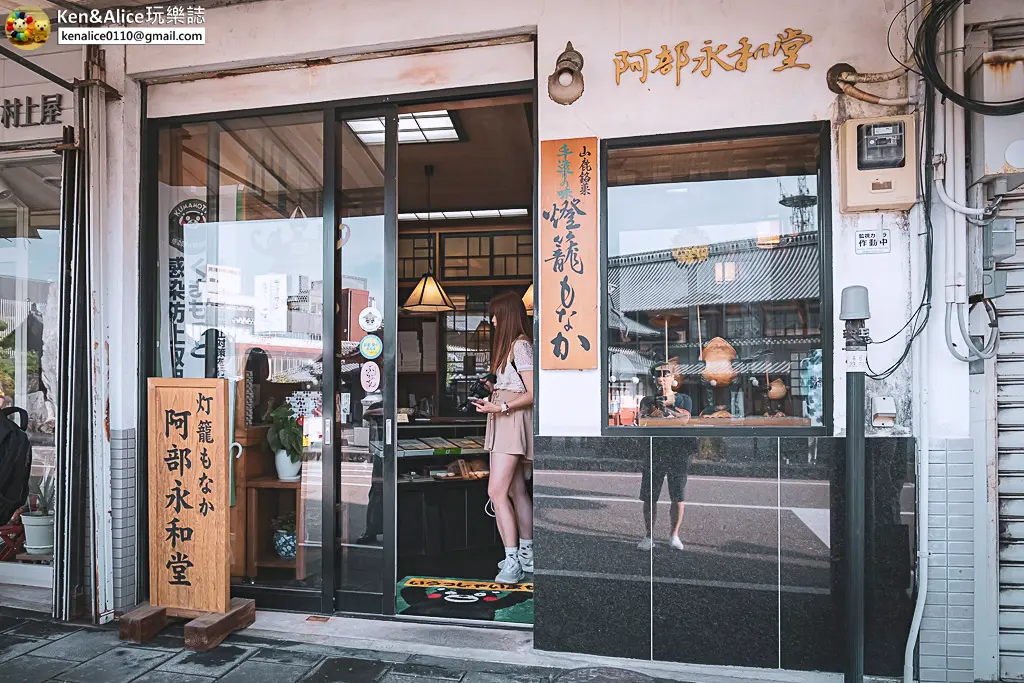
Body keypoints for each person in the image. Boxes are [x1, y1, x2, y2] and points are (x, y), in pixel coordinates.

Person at [471, 291, 534, 585]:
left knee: (496, 492)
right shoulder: (514, 346)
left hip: (510, 421)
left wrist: (502, 405)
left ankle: (512, 561)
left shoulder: (520, 346)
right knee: (515, 490)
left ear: (507, 315)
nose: (493, 320)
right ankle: (526, 554)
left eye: (496, 314)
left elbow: (533, 393)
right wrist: (494, 391)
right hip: (505, 419)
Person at [637, 443, 693, 552]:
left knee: (678, 496)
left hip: (680, 451)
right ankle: (649, 536)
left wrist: (692, 448)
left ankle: (674, 535)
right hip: (655, 450)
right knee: (650, 496)